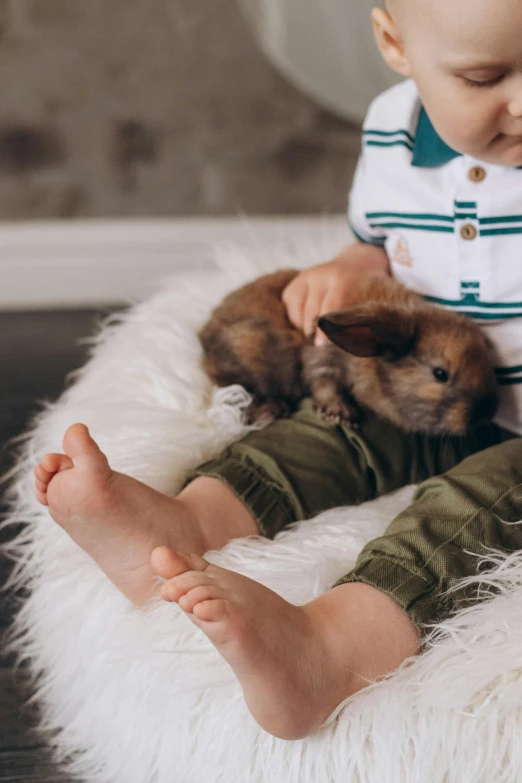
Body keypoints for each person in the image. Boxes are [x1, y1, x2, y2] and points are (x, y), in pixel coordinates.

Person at [34, 0, 522, 741]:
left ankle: (330, 646)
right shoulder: (396, 127)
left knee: (466, 510)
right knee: (328, 432)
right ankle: (190, 520)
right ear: (396, 43)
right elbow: (375, 239)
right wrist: (346, 266)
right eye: (484, 76)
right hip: (424, 386)